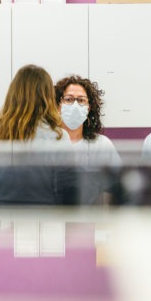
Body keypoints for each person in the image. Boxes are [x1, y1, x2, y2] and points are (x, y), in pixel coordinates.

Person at [0, 64, 73, 205]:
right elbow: (67, 192)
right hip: (46, 221)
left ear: (13, 94)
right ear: (47, 96)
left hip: (3, 220)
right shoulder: (59, 137)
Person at [55, 75, 121, 204]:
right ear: (58, 106)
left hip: (91, 219)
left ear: (89, 107)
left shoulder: (102, 144)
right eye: (68, 99)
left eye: (81, 100)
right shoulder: (48, 144)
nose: (75, 105)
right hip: (53, 219)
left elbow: (115, 187)